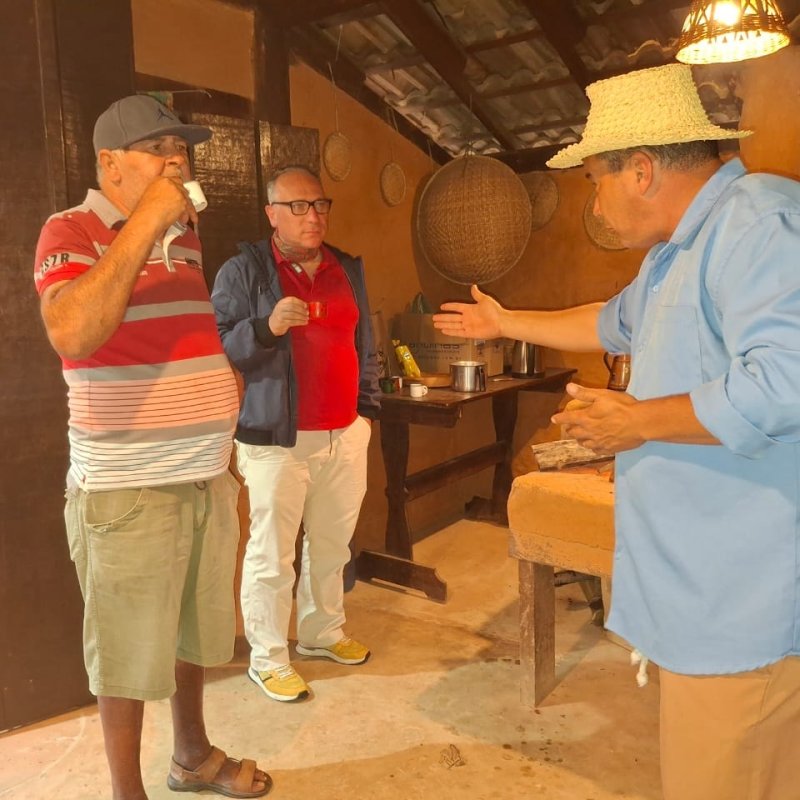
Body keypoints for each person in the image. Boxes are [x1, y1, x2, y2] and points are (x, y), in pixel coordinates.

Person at [433, 63, 800, 800]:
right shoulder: (677, 251)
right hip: (702, 589)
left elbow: (784, 382)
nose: (593, 199)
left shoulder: (758, 222)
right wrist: (503, 321)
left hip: (745, 601)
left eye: (595, 177)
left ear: (640, 170)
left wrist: (634, 423)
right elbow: (607, 321)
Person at [33, 94, 270, 800]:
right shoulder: (68, 229)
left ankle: (191, 757)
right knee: (127, 654)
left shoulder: (186, 237)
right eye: (159, 148)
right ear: (110, 163)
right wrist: (146, 222)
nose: (178, 161)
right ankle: (125, 792)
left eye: (184, 150)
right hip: (128, 487)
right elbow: (73, 332)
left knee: (195, 637)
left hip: (203, 477)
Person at [211, 165, 380, 703]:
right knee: (273, 553)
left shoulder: (346, 267)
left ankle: (321, 633)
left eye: (321, 205)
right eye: (300, 206)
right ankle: (267, 657)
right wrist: (266, 328)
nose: (314, 216)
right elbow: (218, 346)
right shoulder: (245, 271)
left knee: (332, 545)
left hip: (344, 432)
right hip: (275, 437)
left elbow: (364, 341)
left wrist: (366, 410)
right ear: (272, 214)